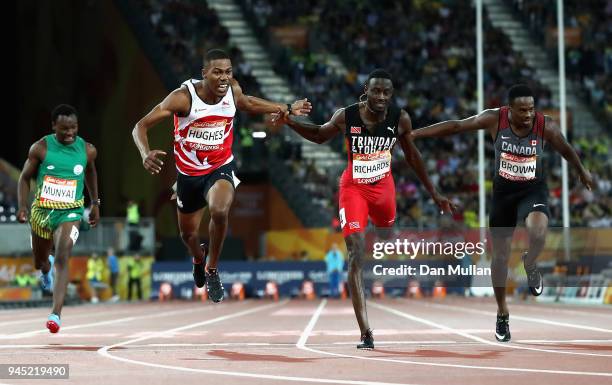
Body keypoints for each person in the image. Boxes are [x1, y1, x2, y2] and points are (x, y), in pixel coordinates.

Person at [280, 69, 454, 349]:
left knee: (385, 235)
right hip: (354, 188)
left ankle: (383, 228)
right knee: (356, 253)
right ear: (366, 90)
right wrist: (289, 121)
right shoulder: (346, 116)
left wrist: (434, 193)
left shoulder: (401, 119)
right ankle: (366, 332)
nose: (382, 97)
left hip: (383, 187)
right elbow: (318, 136)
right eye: (376, 91)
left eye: (387, 92)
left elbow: (412, 156)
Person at [412, 84, 593, 342]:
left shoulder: (545, 126)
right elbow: (456, 126)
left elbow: (565, 148)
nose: (528, 114)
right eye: (522, 110)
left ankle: (531, 264)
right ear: (509, 109)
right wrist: (417, 134)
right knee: (499, 258)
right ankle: (502, 313)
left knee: (539, 233)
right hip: (503, 197)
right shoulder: (494, 119)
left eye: (531, 108)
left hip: (533, 191)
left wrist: (581, 169)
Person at [132, 49, 311, 303]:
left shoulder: (232, 90)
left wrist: (286, 107)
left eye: (228, 72)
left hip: (220, 167)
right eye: (217, 72)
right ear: (204, 74)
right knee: (188, 235)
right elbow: (140, 126)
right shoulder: (183, 99)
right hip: (188, 175)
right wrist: (144, 153)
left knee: (219, 210)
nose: (224, 78)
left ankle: (212, 269)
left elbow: (247, 102)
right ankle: (198, 257)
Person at [17, 104, 100, 333]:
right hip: (42, 212)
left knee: (63, 253)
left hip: (71, 211)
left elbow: (91, 171)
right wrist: (22, 206)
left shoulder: (87, 150)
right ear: (54, 126)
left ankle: (56, 313)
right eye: (64, 129)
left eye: (73, 128)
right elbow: (24, 178)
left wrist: (95, 203)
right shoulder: (41, 148)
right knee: (41, 261)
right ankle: (45, 270)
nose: (69, 133)